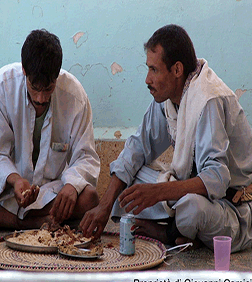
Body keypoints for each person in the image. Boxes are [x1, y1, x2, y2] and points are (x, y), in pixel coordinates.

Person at [80, 24, 252, 253]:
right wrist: (104, 204)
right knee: (126, 183)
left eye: (154, 70)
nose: (147, 79)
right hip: (191, 192)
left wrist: (158, 193)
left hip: (230, 208)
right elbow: (137, 147)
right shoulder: (167, 98)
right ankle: (184, 232)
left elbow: (217, 179)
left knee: (192, 208)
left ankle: (169, 232)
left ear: (177, 70)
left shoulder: (208, 100)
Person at [0, 29, 100, 229]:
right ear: (24, 71)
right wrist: (15, 180)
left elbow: (86, 157)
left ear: (58, 75)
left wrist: (72, 185)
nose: (41, 98)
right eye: (34, 88)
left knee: (89, 197)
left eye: (48, 89)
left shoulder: (75, 95)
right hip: (4, 188)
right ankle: (25, 223)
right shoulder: (3, 85)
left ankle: (10, 220)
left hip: (49, 191)